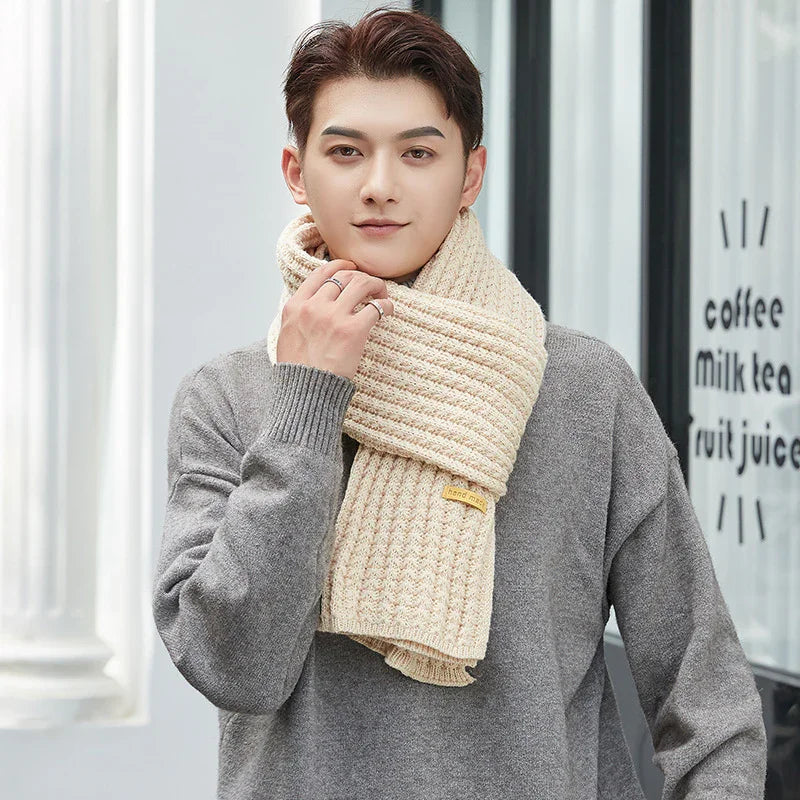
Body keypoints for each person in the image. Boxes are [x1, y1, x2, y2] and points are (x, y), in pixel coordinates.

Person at [152, 6, 767, 798]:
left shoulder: (582, 390)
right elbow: (234, 666)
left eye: (418, 152)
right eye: (346, 152)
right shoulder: (231, 399)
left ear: (470, 174)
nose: (380, 186)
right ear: (296, 173)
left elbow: (707, 697)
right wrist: (308, 400)